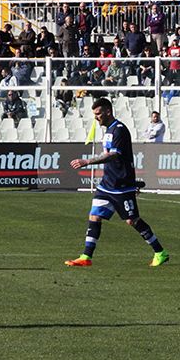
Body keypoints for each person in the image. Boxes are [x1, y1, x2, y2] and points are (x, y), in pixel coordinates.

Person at [66, 98, 169, 267]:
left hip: (122, 186)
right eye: (94, 114)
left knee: (132, 220)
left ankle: (160, 252)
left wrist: (87, 162)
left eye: (98, 113)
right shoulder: (109, 130)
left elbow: (114, 155)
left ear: (108, 111)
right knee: (94, 216)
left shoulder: (119, 130)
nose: (96, 117)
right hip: (107, 184)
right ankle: (86, 257)